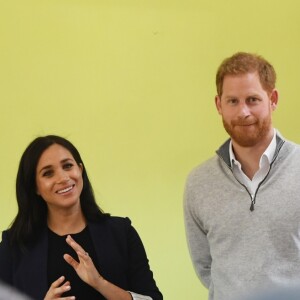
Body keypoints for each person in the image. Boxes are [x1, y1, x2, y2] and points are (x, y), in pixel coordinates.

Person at [184, 52, 300, 300]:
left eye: (253, 99)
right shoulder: (198, 183)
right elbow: (205, 266)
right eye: (233, 101)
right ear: (219, 105)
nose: (243, 112)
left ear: (273, 99)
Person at [0, 135, 163, 300]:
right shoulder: (14, 246)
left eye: (68, 166)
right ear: (35, 186)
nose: (63, 178)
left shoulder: (122, 232)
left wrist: (100, 283)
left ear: (80, 170)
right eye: (48, 173)